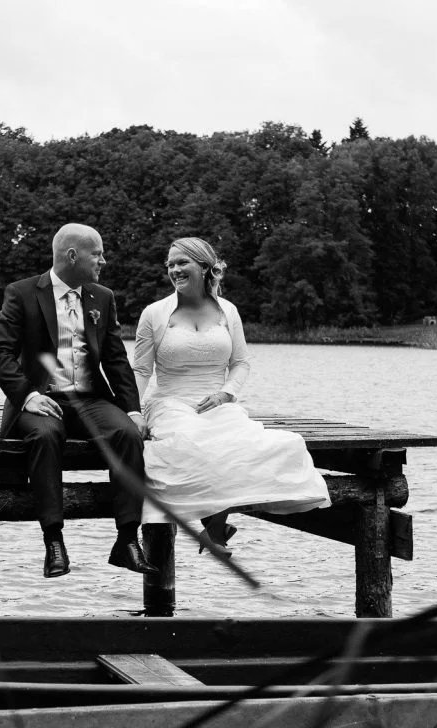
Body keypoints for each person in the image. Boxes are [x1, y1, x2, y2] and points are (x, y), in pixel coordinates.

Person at [132, 237, 331, 556]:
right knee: (189, 442)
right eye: (170, 264)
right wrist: (133, 410)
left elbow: (240, 363)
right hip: (170, 401)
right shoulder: (155, 314)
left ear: (205, 267)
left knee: (259, 444)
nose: (174, 269)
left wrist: (226, 393)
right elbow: (141, 370)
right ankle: (216, 529)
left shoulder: (228, 312)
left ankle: (214, 529)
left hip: (217, 403)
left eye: (182, 262)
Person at [0, 222, 158, 579]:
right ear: (72, 255)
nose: (103, 261)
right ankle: (54, 541)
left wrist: (132, 409)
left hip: (90, 399)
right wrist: (28, 396)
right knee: (46, 436)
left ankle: (126, 540)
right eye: (97, 254)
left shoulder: (102, 297)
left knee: (128, 434)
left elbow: (115, 360)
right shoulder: (22, 294)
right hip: (41, 399)